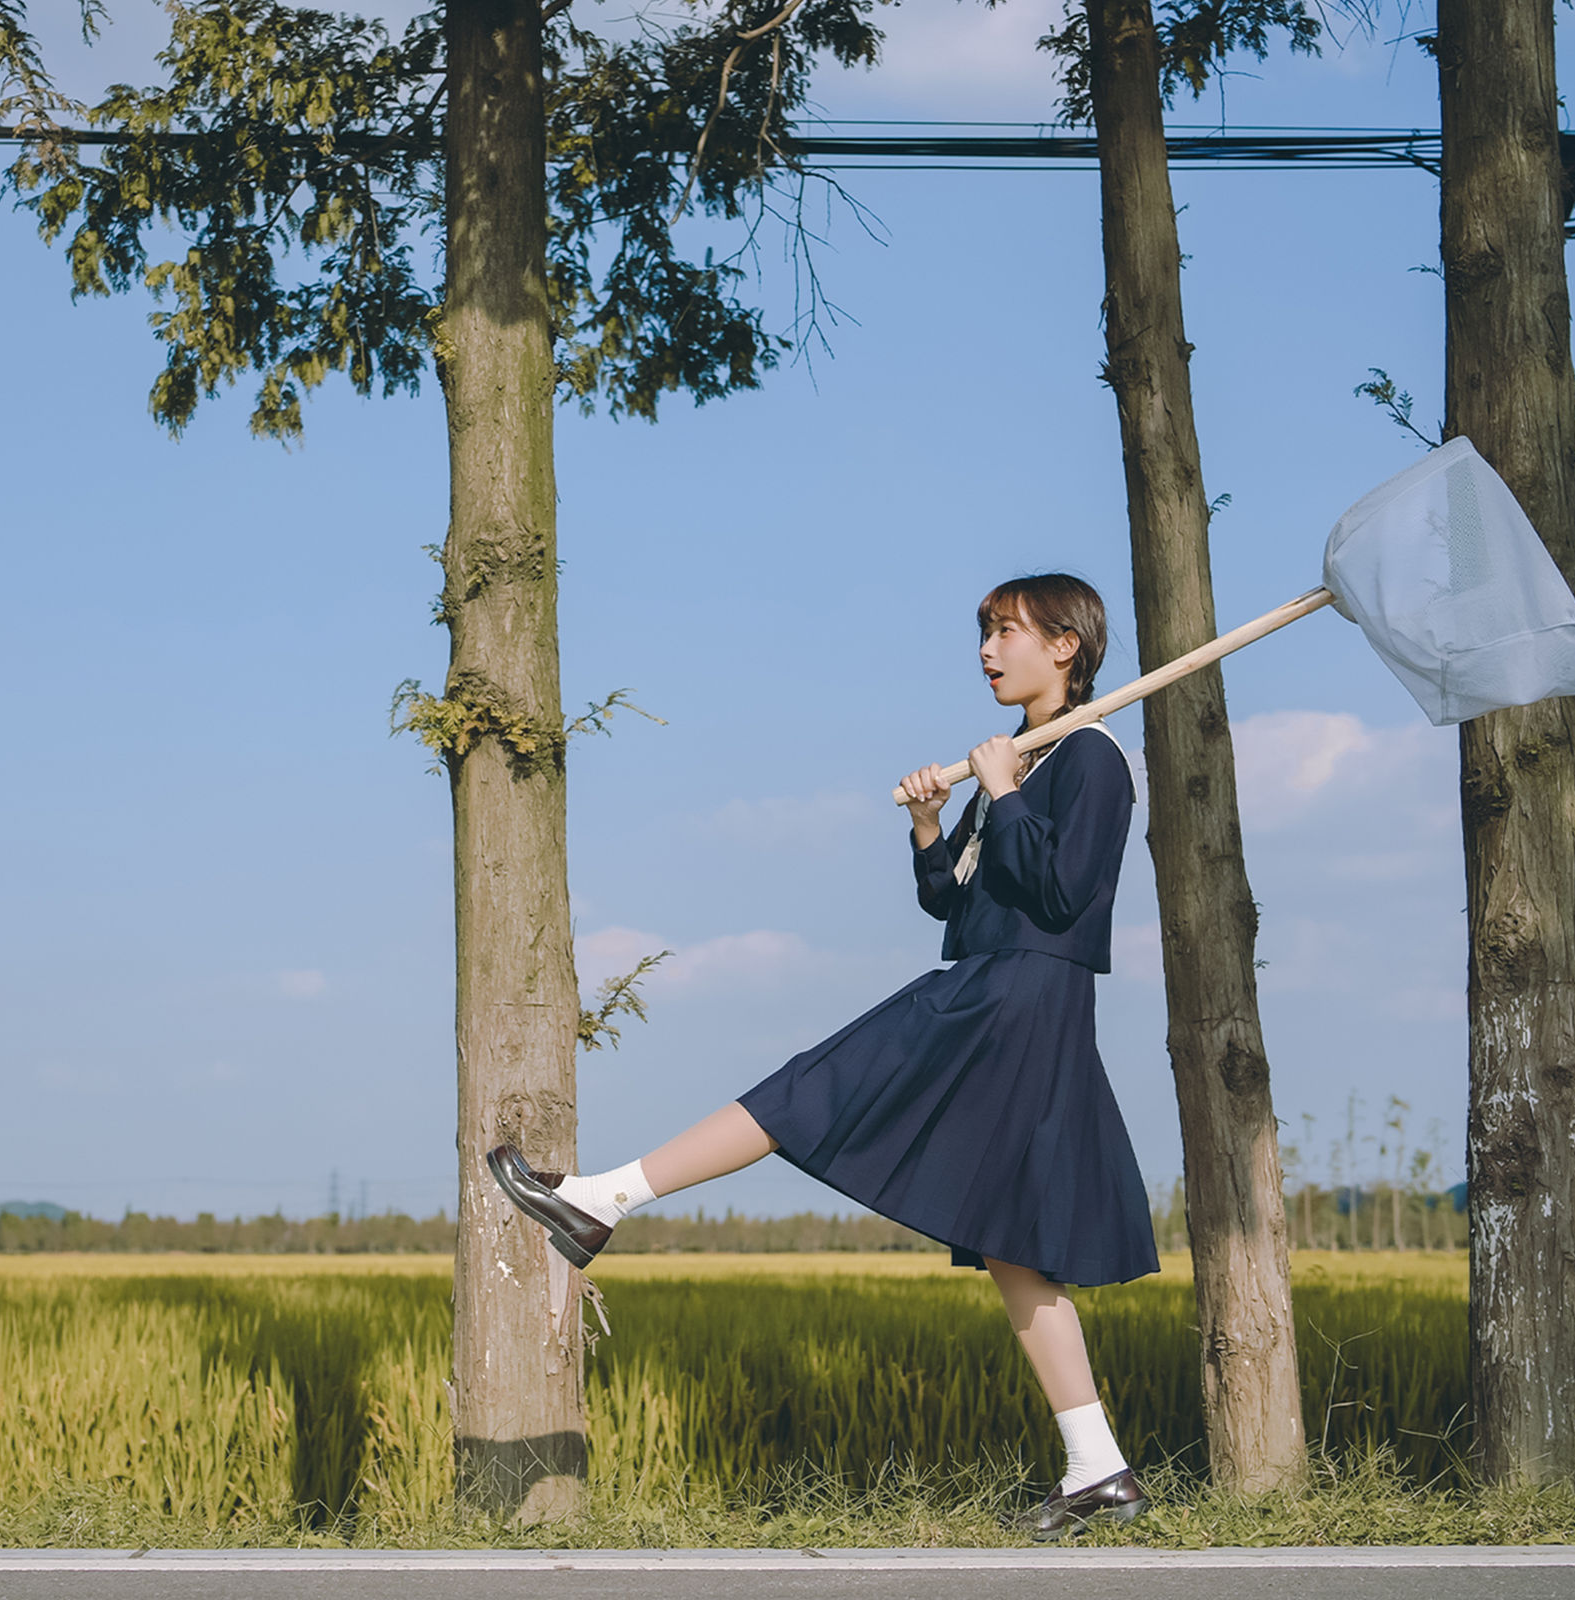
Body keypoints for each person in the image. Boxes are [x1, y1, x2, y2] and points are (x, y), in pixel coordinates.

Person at [486, 572, 1161, 1540]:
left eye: (1004, 631)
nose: (984, 650)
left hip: (1017, 996)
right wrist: (933, 824)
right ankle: (1098, 1466)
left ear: (1064, 644)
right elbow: (956, 902)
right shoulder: (1024, 753)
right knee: (1016, 1242)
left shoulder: (1089, 757)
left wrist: (1004, 790)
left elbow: (1062, 894)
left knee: (815, 1087)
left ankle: (601, 1199)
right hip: (995, 978)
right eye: (981, 633)